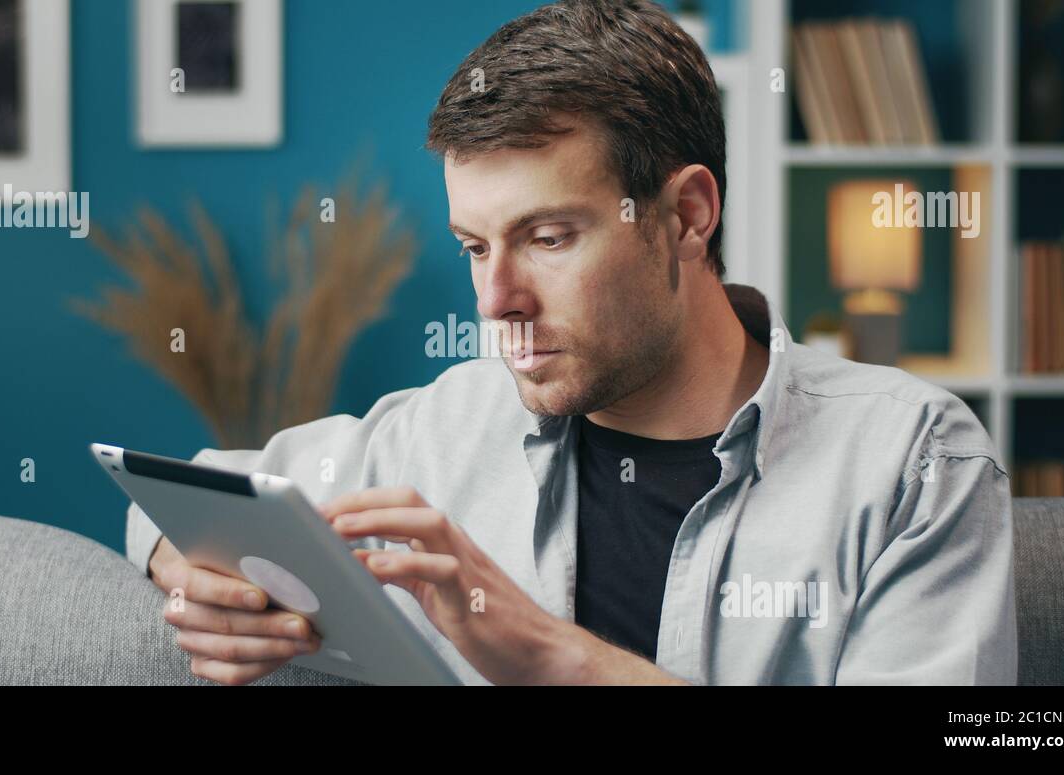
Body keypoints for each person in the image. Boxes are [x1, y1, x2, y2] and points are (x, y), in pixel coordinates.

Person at [126, 0, 1017, 686]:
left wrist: (560, 660)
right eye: (475, 248)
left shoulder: (913, 462)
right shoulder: (442, 430)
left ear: (687, 216)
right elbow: (170, 494)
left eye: (548, 238)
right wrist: (194, 569)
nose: (496, 300)